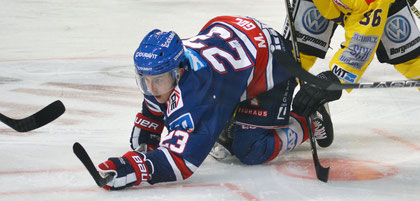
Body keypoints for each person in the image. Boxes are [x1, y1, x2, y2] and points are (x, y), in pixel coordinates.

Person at [96, 16, 342, 190]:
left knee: (249, 150)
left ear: (179, 70)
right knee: (220, 132)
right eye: (144, 79)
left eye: (158, 80)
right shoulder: (170, 69)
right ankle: (231, 116)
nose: (151, 89)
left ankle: (308, 120)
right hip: (235, 32)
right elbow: (154, 110)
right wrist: (148, 133)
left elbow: (181, 163)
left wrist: (134, 168)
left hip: (271, 59)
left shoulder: (199, 92)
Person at [283, 0, 420, 90]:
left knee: (412, 60)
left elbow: (363, 42)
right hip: (323, 4)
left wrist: (335, 79)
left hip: (378, 6)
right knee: (294, 57)